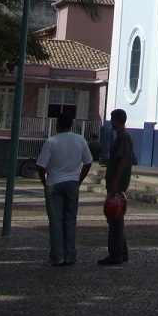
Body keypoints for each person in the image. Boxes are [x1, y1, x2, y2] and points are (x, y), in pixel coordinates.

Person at [36, 112, 93, 267]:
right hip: (73, 181)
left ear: (58, 125)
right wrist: (79, 179)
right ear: (72, 124)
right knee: (70, 219)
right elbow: (88, 162)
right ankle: (70, 255)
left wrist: (44, 182)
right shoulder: (80, 140)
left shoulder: (52, 141)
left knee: (55, 220)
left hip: (54, 181)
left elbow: (41, 165)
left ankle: (57, 256)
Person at [99, 108, 134, 266]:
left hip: (117, 185)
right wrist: (109, 162)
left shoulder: (124, 137)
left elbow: (124, 160)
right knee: (116, 218)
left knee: (115, 219)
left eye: (112, 119)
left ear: (117, 120)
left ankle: (115, 254)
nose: (111, 123)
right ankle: (122, 251)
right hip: (116, 183)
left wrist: (115, 181)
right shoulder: (121, 137)